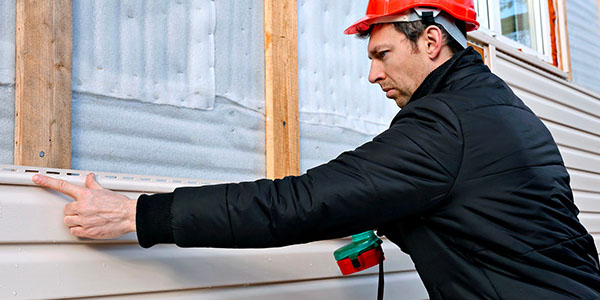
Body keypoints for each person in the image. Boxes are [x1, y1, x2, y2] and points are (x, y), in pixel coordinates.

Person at [33, 0, 600, 298]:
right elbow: (484, 214)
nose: (373, 75)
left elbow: (298, 202)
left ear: (430, 41)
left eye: (381, 55)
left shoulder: (446, 122)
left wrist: (136, 214)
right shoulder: (492, 109)